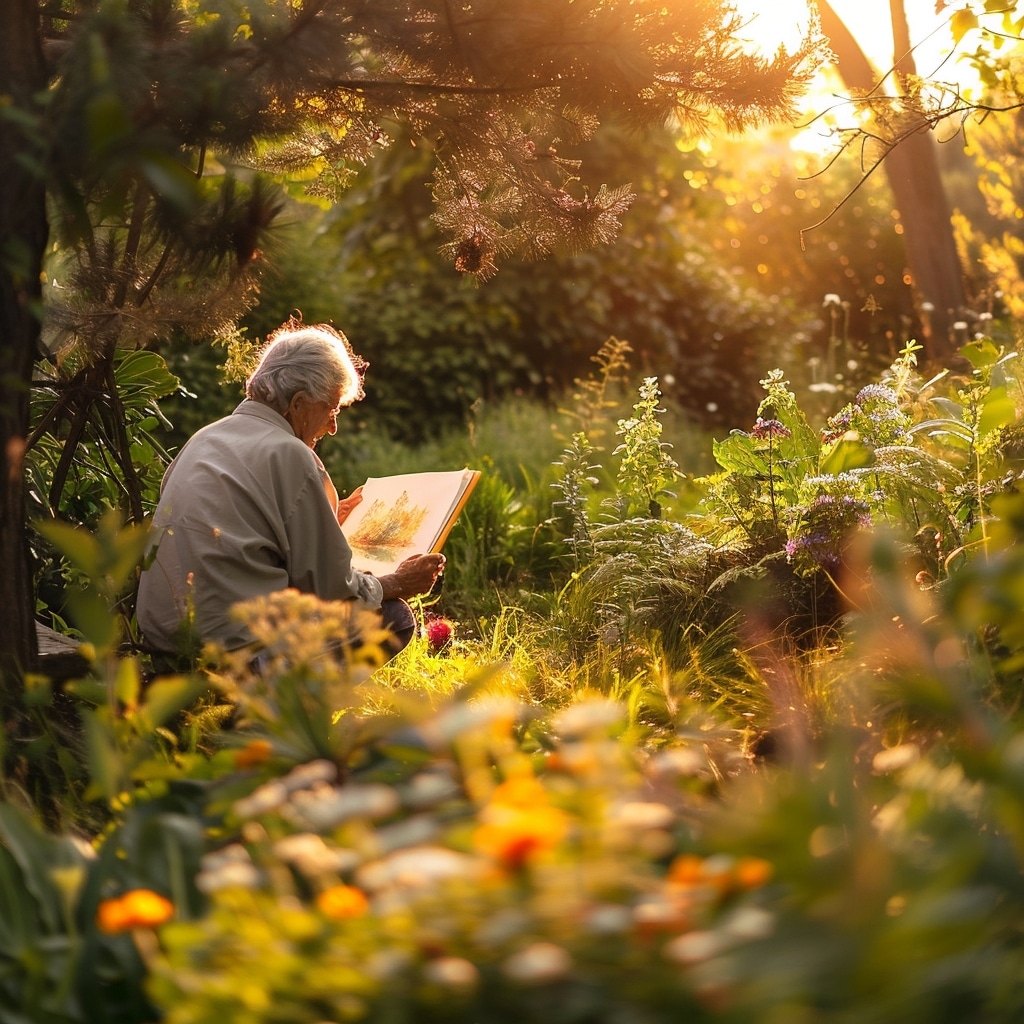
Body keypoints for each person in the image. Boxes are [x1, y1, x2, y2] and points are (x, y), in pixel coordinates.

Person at [136, 320, 444, 664]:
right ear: (298, 404)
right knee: (394, 618)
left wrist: (327, 519)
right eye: (332, 408)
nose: (333, 425)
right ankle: (283, 714)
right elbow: (333, 592)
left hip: (165, 649)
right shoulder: (292, 454)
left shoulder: (203, 438)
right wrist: (397, 582)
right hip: (233, 655)